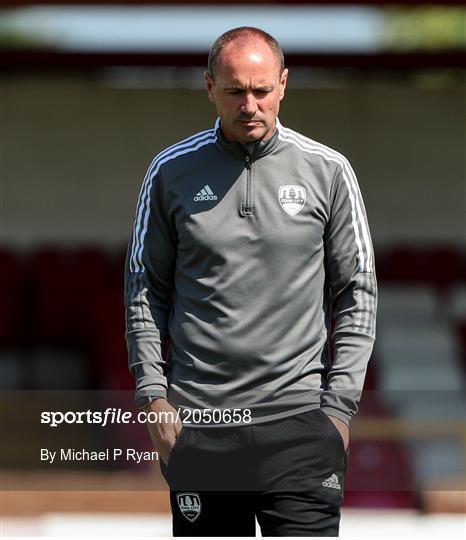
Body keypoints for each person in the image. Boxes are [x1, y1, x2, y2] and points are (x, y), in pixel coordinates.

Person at [124, 26, 377, 537]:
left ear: (283, 84)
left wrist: (338, 410)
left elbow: (357, 292)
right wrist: (154, 398)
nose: (250, 104)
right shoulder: (169, 172)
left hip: (301, 423)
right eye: (236, 90)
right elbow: (143, 289)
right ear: (209, 87)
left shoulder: (329, 171)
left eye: (262, 90)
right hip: (202, 425)